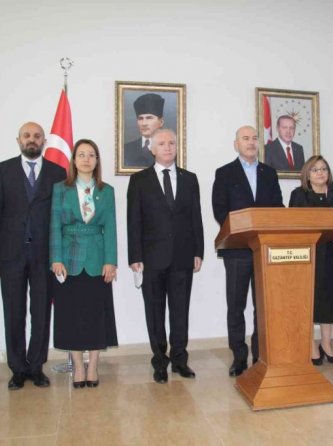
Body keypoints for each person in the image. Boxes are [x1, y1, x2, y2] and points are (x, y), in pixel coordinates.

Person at [0, 122, 66, 390]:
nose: (32, 140)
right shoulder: (4, 170)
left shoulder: (57, 172)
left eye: (37, 136)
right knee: (14, 311)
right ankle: (17, 368)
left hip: (45, 254)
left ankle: (36, 366)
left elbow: (61, 215)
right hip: (11, 253)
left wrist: (60, 253)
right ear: (18, 140)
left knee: (41, 312)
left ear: (44, 141)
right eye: (27, 136)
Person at [127, 128, 204, 384]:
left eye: (172, 143)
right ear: (152, 149)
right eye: (162, 143)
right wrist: (135, 256)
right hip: (151, 258)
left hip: (183, 256)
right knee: (155, 311)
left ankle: (180, 360)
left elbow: (195, 217)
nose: (168, 147)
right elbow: (134, 221)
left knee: (180, 311)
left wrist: (198, 251)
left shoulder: (190, 179)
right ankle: (160, 361)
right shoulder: (139, 180)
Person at [212, 125, 283, 377]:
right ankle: (239, 357)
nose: (251, 142)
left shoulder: (269, 173)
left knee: (262, 306)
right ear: (236, 144)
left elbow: (278, 207)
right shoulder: (224, 173)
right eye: (245, 138)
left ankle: (260, 355)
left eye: (254, 138)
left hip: (264, 249)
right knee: (236, 305)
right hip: (237, 250)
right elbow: (220, 210)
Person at [50, 139, 118, 389]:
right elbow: (54, 225)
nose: (86, 159)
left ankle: (93, 365)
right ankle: (78, 366)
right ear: (74, 160)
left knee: (97, 314)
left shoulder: (106, 190)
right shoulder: (60, 189)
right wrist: (56, 258)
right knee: (72, 315)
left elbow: (110, 227)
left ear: (97, 160)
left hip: (97, 260)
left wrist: (111, 261)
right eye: (81, 155)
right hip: (69, 260)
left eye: (91, 155)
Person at [289, 155, 333, 365]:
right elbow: (292, 227)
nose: (320, 173)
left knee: (330, 300)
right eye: (315, 169)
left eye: (324, 169)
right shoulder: (298, 195)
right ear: (307, 174)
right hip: (308, 256)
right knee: (309, 300)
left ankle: (326, 343)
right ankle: (311, 345)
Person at [123, 93, 164, 168]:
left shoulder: (169, 149)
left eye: (149, 118)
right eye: (140, 118)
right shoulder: (125, 149)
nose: (144, 123)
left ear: (161, 122)